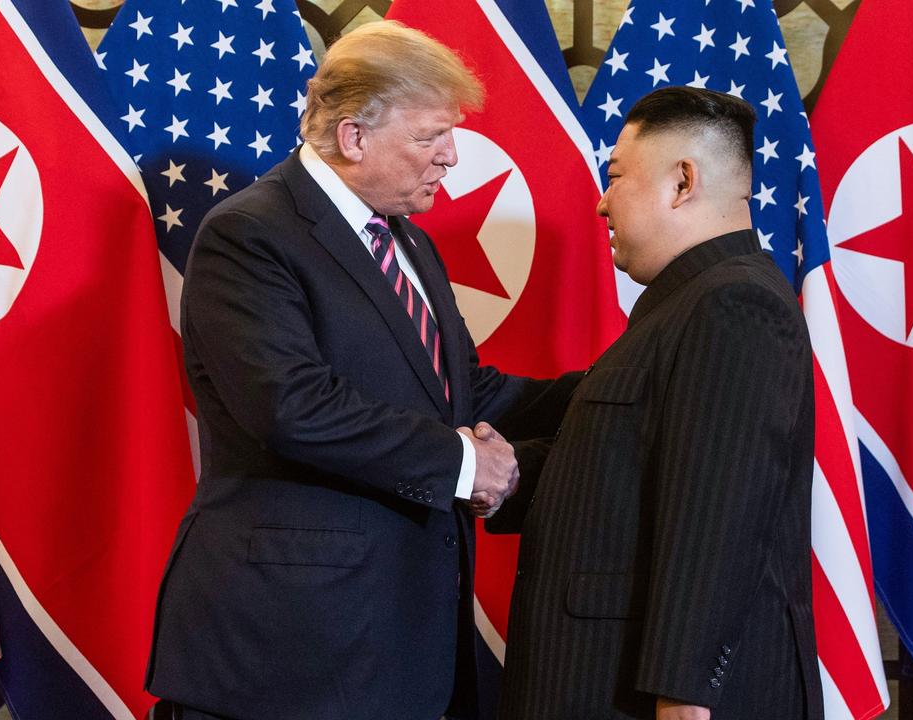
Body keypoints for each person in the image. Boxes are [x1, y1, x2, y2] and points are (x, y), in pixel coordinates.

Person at [145, 21, 574, 720]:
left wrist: (617, 387)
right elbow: (292, 406)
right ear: (354, 137)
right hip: (290, 652)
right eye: (432, 136)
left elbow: (465, 390)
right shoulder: (250, 234)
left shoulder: (408, 240)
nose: (451, 156)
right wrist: (466, 465)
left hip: (395, 645)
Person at [487, 87, 823, 720]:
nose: (601, 201)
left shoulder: (733, 305)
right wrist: (506, 477)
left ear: (682, 182)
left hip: (655, 700)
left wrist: (685, 697)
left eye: (614, 177)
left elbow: (719, 519)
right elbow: (625, 475)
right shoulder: (684, 302)